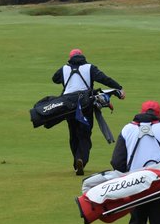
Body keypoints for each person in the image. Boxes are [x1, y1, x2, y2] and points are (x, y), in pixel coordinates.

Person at [51, 48, 123, 176]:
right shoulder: (90, 68)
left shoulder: (64, 69)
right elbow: (104, 79)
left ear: (70, 58)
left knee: (73, 133)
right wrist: (119, 88)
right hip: (85, 104)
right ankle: (81, 160)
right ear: (82, 56)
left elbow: (54, 79)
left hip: (69, 104)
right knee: (84, 133)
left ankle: (76, 162)